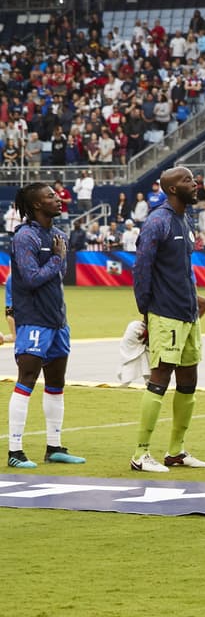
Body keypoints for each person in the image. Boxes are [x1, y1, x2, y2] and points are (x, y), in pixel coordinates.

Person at [130, 167, 205, 474]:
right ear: (172, 189)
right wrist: (146, 314)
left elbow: (180, 268)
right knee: (161, 376)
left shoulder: (184, 219)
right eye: (187, 181)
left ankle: (176, 451)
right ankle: (140, 454)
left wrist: (194, 297)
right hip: (165, 313)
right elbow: (142, 270)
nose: (194, 184)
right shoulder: (158, 221)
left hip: (188, 313)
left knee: (189, 378)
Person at [7, 184, 84, 469]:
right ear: (37, 205)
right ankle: (15, 451)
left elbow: (56, 276)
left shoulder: (57, 235)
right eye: (51, 196)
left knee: (56, 384)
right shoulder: (24, 236)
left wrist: (56, 259)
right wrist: (56, 258)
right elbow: (30, 278)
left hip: (57, 321)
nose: (58, 199)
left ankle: (54, 447)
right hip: (33, 321)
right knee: (27, 380)